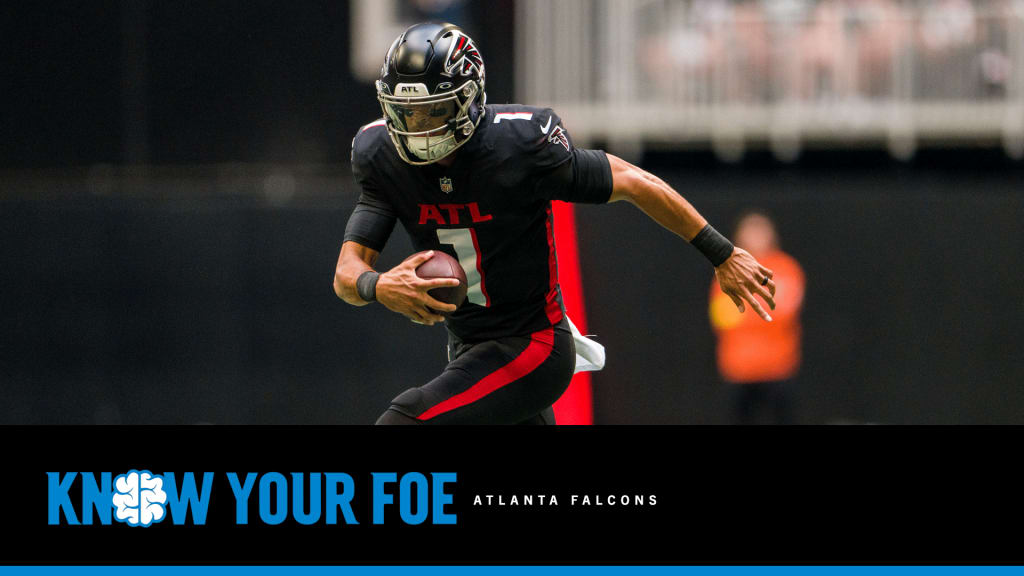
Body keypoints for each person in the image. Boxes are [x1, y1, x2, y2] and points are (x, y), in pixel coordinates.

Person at [333, 22, 777, 425]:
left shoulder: (519, 144)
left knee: (406, 420)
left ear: (467, 100)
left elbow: (636, 182)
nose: (417, 128)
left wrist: (722, 253)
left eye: (431, 112)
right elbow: (346, 273)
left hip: (533, 345)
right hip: (470, 347)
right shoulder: (383, 157)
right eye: (407, 113)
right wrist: (378, 285)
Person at [709, 211, 805, 425]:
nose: (756, 238)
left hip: (778, 367)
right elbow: (723, 317)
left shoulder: (786, 268)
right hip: (739, 368)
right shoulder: (728, 271)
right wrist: (760, 308)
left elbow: (784, 311)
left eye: (760, 232)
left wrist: (747, 307)